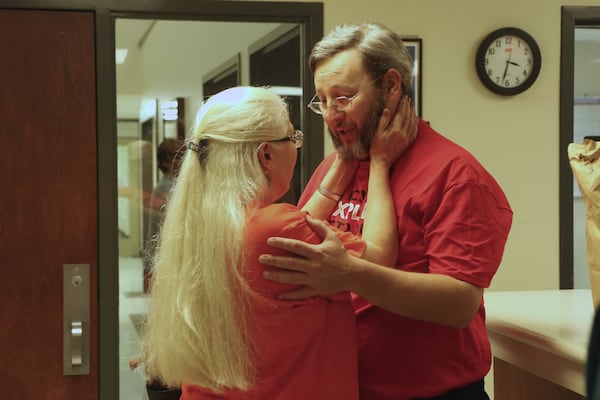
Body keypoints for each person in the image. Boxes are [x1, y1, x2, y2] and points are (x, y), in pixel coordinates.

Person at [258, 22, 513, 400]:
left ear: (392, 86)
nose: (330, 115)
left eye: (343, 98)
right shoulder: (332, 169)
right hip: (340, 386)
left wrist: (350, 274)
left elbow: (459, 302)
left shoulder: (456, 174)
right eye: (322, 101)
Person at [141, 86, 417, 399]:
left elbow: (295, 224)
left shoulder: (205, 223)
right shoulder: (276, 227)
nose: (297, 146)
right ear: (266, 154)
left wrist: (346, 157)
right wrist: (380, 162)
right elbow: (378, 258)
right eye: (292, 137)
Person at [143, 137, 185, 293]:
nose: (185, 163)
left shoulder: (169, 186)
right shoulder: (168, 188)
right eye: (180, 157)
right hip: (167, 259)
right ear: (167, 161)